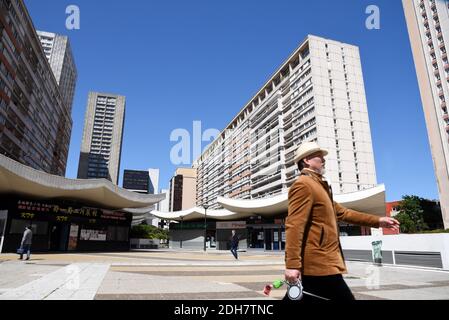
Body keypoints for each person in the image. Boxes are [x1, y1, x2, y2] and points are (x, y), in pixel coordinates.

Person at [284, 141, 400, 301]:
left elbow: (344, 213)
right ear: (307, 160)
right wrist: (292, 264)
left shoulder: (320, 186)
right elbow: (294, 225)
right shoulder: (304, 185)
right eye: (319, 156)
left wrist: (378, 221)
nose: (323, 160)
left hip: (324, 262)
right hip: (319, 262)